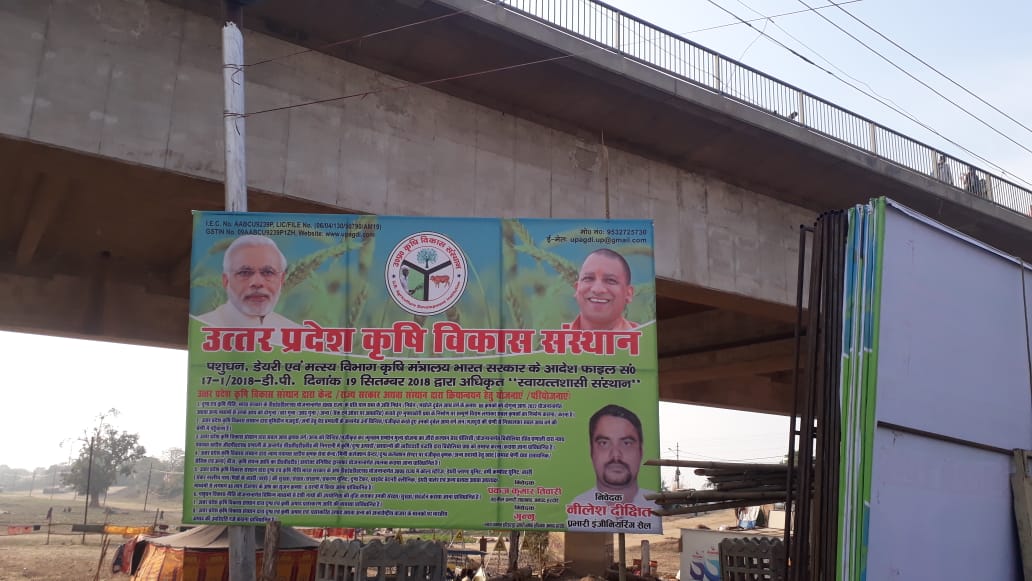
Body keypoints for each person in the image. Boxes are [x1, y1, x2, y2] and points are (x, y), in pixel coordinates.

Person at [567, 404, 661, 533]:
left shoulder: (654, 506)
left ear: (641, 451)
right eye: (604, 443)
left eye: (626, 443)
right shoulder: (576, 509)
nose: (616, 455)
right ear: (591, 451)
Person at [196, 235, 300, 329]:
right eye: (244, 273)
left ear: (281, 280)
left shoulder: (298, 336)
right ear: (226, 281)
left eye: (268, 272)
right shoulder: (201, 329)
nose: (257, 283)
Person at [569, 249, 637, 331]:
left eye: (610, 280)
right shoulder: (554, 341)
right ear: (577, 288)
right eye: (589, 278)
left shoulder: (645, 339)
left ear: (628, 293)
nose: (597, 289)